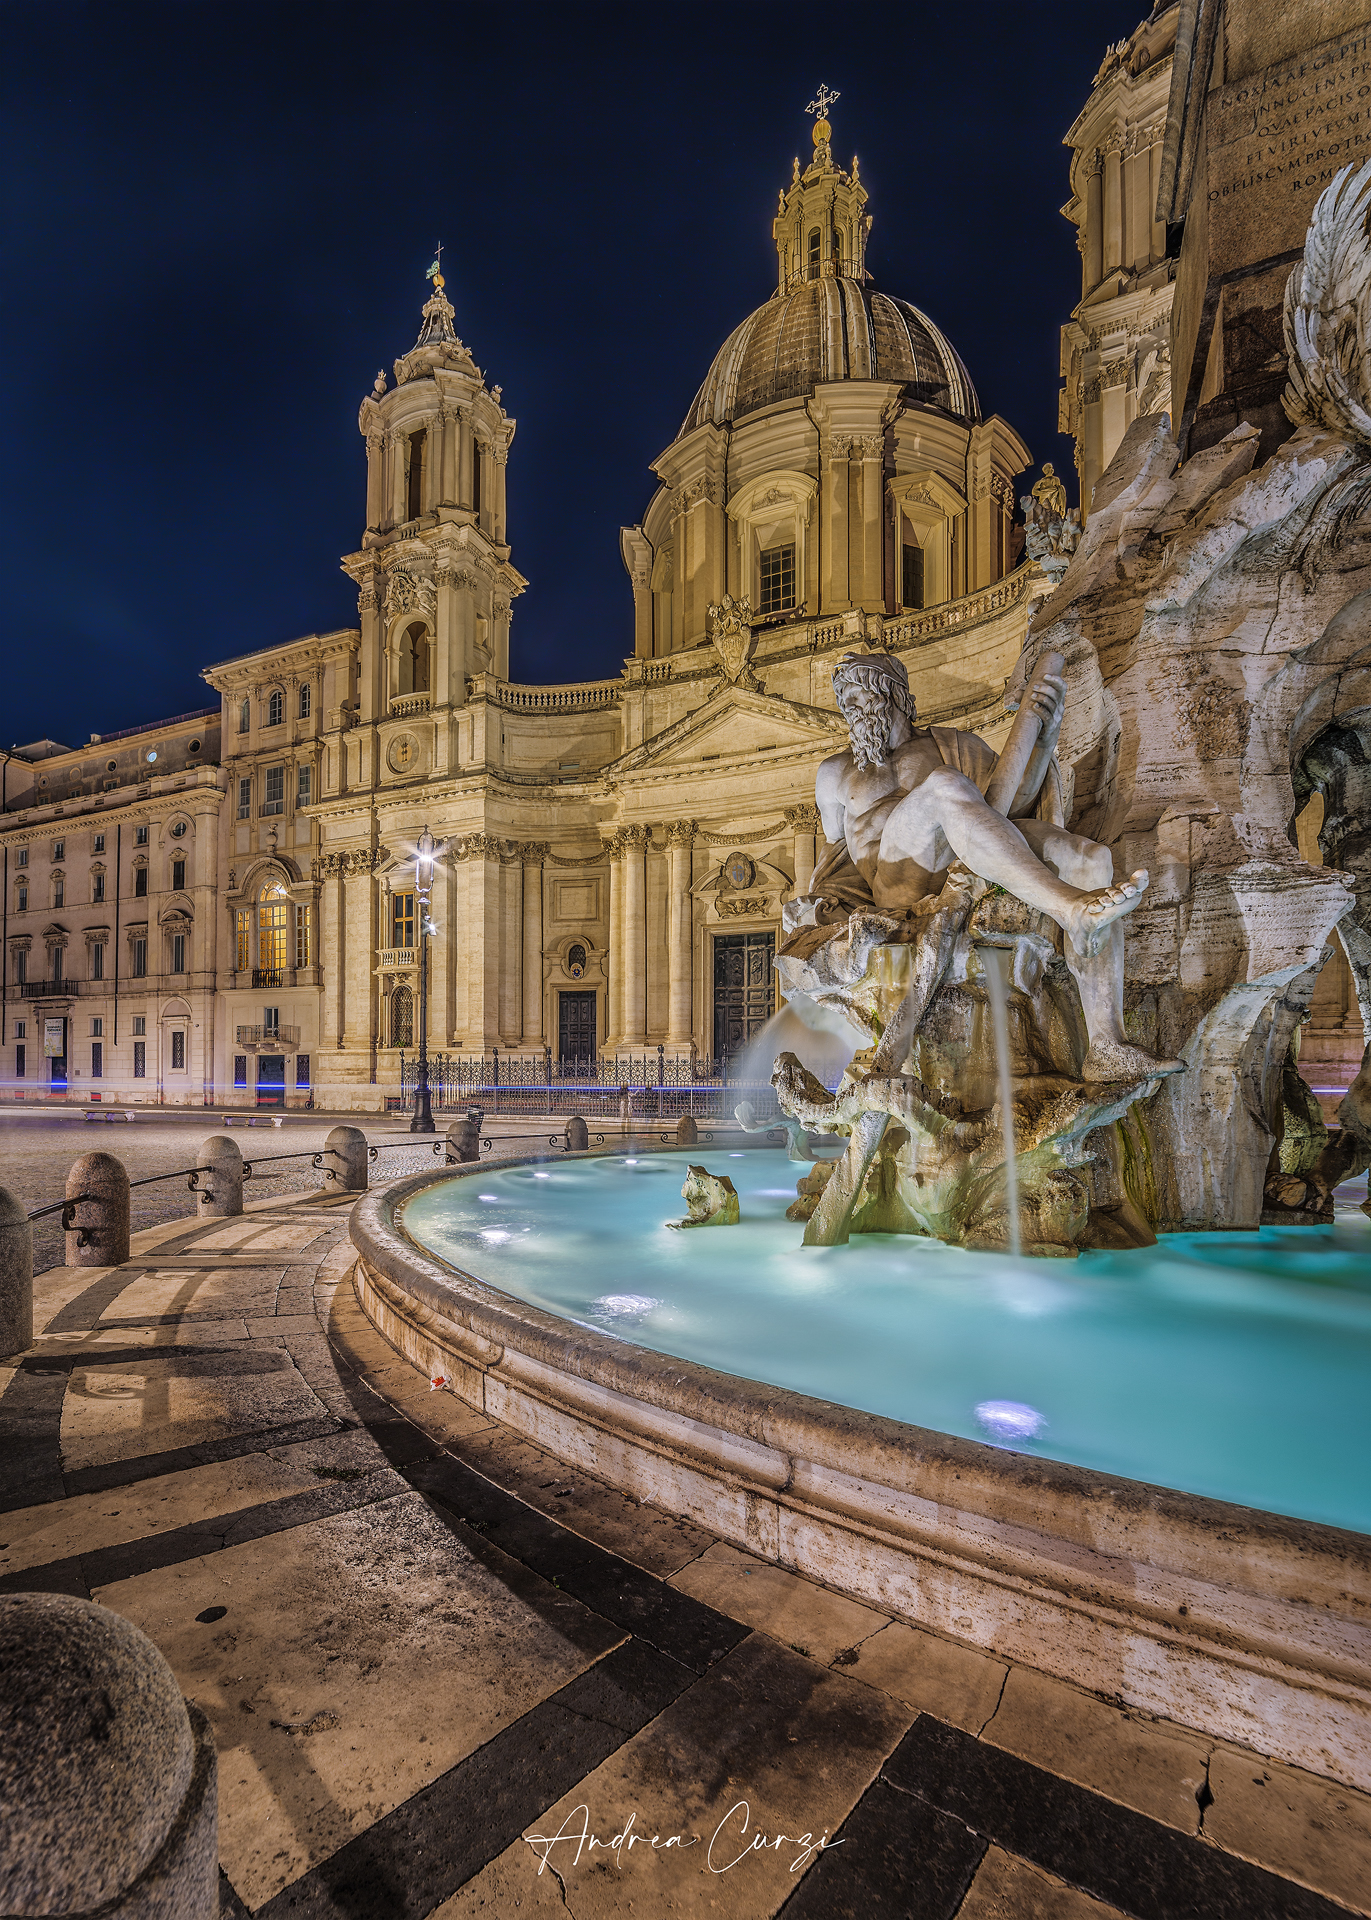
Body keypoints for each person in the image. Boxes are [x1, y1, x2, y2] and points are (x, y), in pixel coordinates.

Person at [788, 651, 1181, 1082]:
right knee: (944, 784)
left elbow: (1009, 805)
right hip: (896, 881)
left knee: (1092, 859)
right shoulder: (836, 772)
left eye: (861, 695)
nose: (851, 710)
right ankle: (1069, 908)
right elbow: (836, 856)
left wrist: (1044, 739)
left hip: (965, 858)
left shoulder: (954, 745)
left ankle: (1107, 1045)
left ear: (896, 696)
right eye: (845, 701)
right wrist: (817, 909)